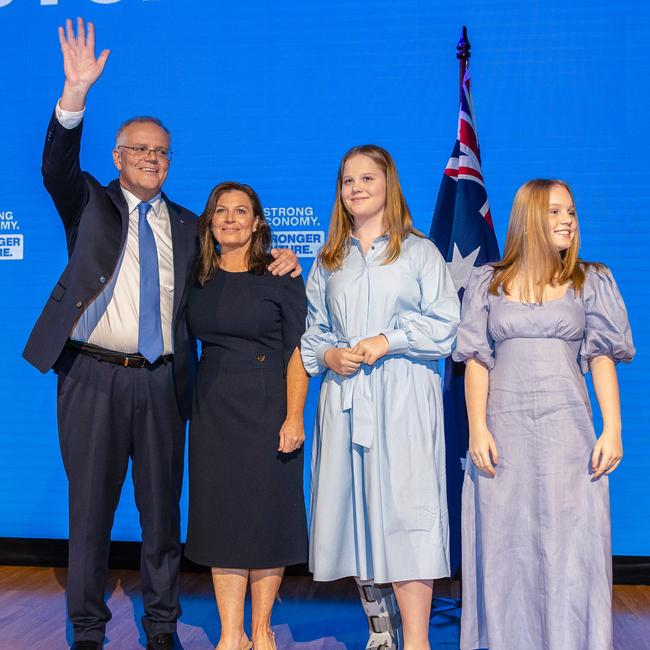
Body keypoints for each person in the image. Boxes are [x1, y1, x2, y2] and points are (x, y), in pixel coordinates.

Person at [22, 20, 298, 650]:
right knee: (89, 515)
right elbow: (55, 165)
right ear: (117, 158)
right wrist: (74, 95)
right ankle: (88, 631)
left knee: (161, 516)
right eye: (138, 150)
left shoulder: (193, 224)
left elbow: (237, 251)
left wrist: (280, 258)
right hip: (90, 377)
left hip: (164, 384)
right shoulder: (88, 202)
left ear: (170, 162)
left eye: (160, 152)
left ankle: (163, 627)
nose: (150, 159)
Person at [453, 179, 635, 650]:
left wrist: (612, 429)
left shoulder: (590, 281)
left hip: (567, 436)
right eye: (556, 211)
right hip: (503, 435)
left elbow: (601, 357)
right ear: (530, 217)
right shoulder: (488, 281)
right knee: (504, 547)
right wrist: (477, 428)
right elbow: (476, 359)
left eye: (571, 212)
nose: (568, 221)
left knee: (571, 547)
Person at [301, 144, 460, 650]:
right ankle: (380, 629)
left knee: (407, 516)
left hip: (404, 395)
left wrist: (385, 340)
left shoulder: (418, 251)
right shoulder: (329, 260)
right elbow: (314, 331)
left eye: (367, 178)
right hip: (346, 398)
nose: (356, 188)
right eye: (348, 180)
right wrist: (329, 357)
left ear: (389, 184)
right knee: (353, 513)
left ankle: (416, 641)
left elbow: (445, 325)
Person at [184, 182, 309, 650]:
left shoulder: (280, 275)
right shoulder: (195, 275)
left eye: (242, 211)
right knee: (224, 521)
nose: (231, 218)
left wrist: (294, 416)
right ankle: (231, 634)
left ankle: (262, 630)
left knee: (267, 520)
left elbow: (298, 351)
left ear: (257, 222)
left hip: (269, 409)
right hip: (213, 411)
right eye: (222, 211)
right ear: (210, 221)